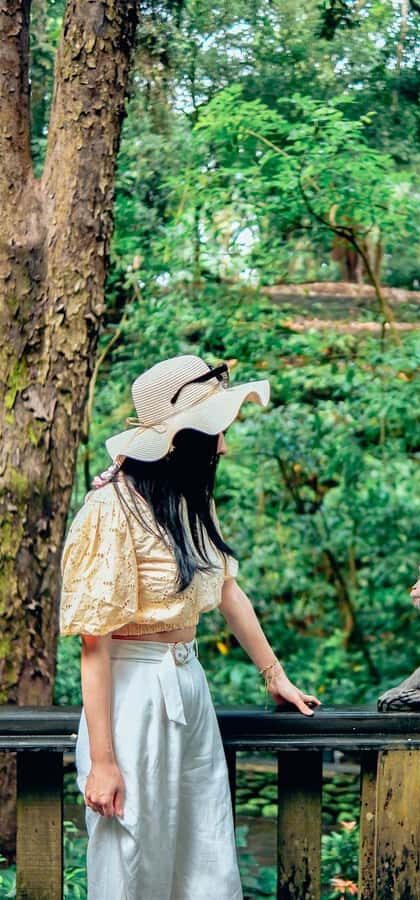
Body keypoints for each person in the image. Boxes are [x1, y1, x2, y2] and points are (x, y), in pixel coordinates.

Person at [59, 354, 320, 900]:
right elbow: (93, 642)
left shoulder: (190, 502)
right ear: (180, 440)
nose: (223, 446)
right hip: (131, 701)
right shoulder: (110, 509)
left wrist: (274, 674)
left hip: (188, 687)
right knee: (132, 861)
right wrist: (103, 761)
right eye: (215, 431)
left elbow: (227, 591)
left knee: (204, 859)